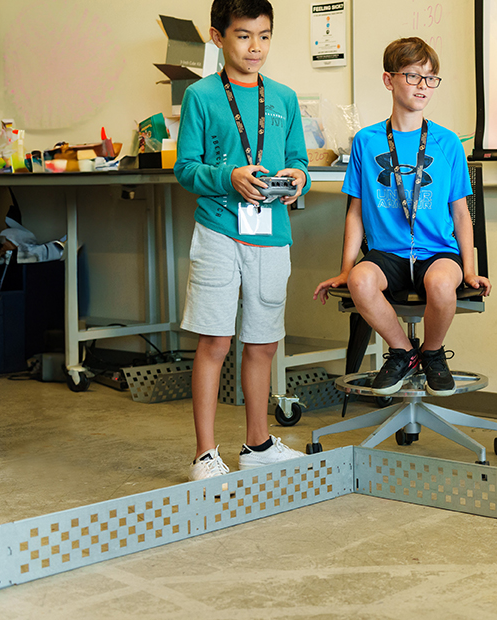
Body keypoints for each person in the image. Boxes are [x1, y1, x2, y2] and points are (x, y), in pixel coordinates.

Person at [175, 0, 310, 481]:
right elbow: (186, 169)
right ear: (218, 37)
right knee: (216, 338)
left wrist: (298, 178)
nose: (256, 47)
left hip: (271, 233)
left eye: (265, 36)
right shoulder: (201, 96)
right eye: (244, 36)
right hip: (218, 228)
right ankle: (205, 454)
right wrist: (228, 176)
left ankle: (257, 444)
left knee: (264, 341)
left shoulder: (285, 98)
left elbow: (300, 161)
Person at [313, 37, 491, 397]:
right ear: (388, 79)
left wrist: (469, 269)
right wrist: (347, 268)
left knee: (442, 284)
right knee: (361, 282)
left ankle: (433, 352)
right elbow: (356, 211)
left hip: (436, 250)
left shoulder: (447, 142)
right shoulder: (366, 140)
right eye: (412, 76)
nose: (423, 86)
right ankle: (403, 352)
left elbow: (461, 213)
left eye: (430, 78)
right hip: (387, 254)